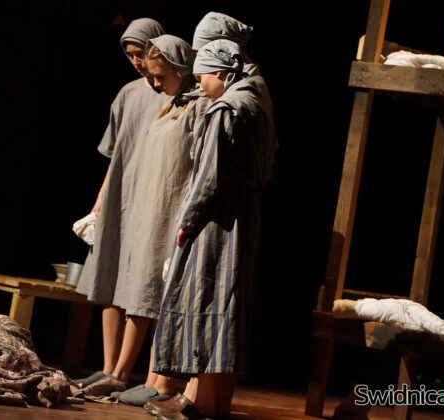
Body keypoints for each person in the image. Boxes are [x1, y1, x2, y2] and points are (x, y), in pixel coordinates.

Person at [148, 39, 277, 420]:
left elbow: (208, 176)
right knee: (226, 305)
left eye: (202, 76)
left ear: (220, 72)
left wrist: (187, 221)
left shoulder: (227, 109)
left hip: (219, 221)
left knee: (208, 304)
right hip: (243, 217)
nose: (200, 85)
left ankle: (203, 404)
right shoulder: (254, 103)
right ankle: (216, 403)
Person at [83, 35, 212, 403]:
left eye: (160, 76)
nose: (154, 83)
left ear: (180, 69)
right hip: (149, 206)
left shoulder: (200, 106)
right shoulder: (171, 102)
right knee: (140, 289)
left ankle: (153, 379)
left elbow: (197, 164)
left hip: (172, 210)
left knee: (154, 294)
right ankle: (137, 376)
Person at [74, 18, 165, 389]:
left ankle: (123, 373)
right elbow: (117, 154)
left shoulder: (176, 91)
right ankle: (108, 368)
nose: (136, 61)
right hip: (121, 194)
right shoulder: (127, 94)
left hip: (153, 195)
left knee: (139, 283)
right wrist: (100, 200)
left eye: (141, 53)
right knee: (109, 275)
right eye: (130, 55)